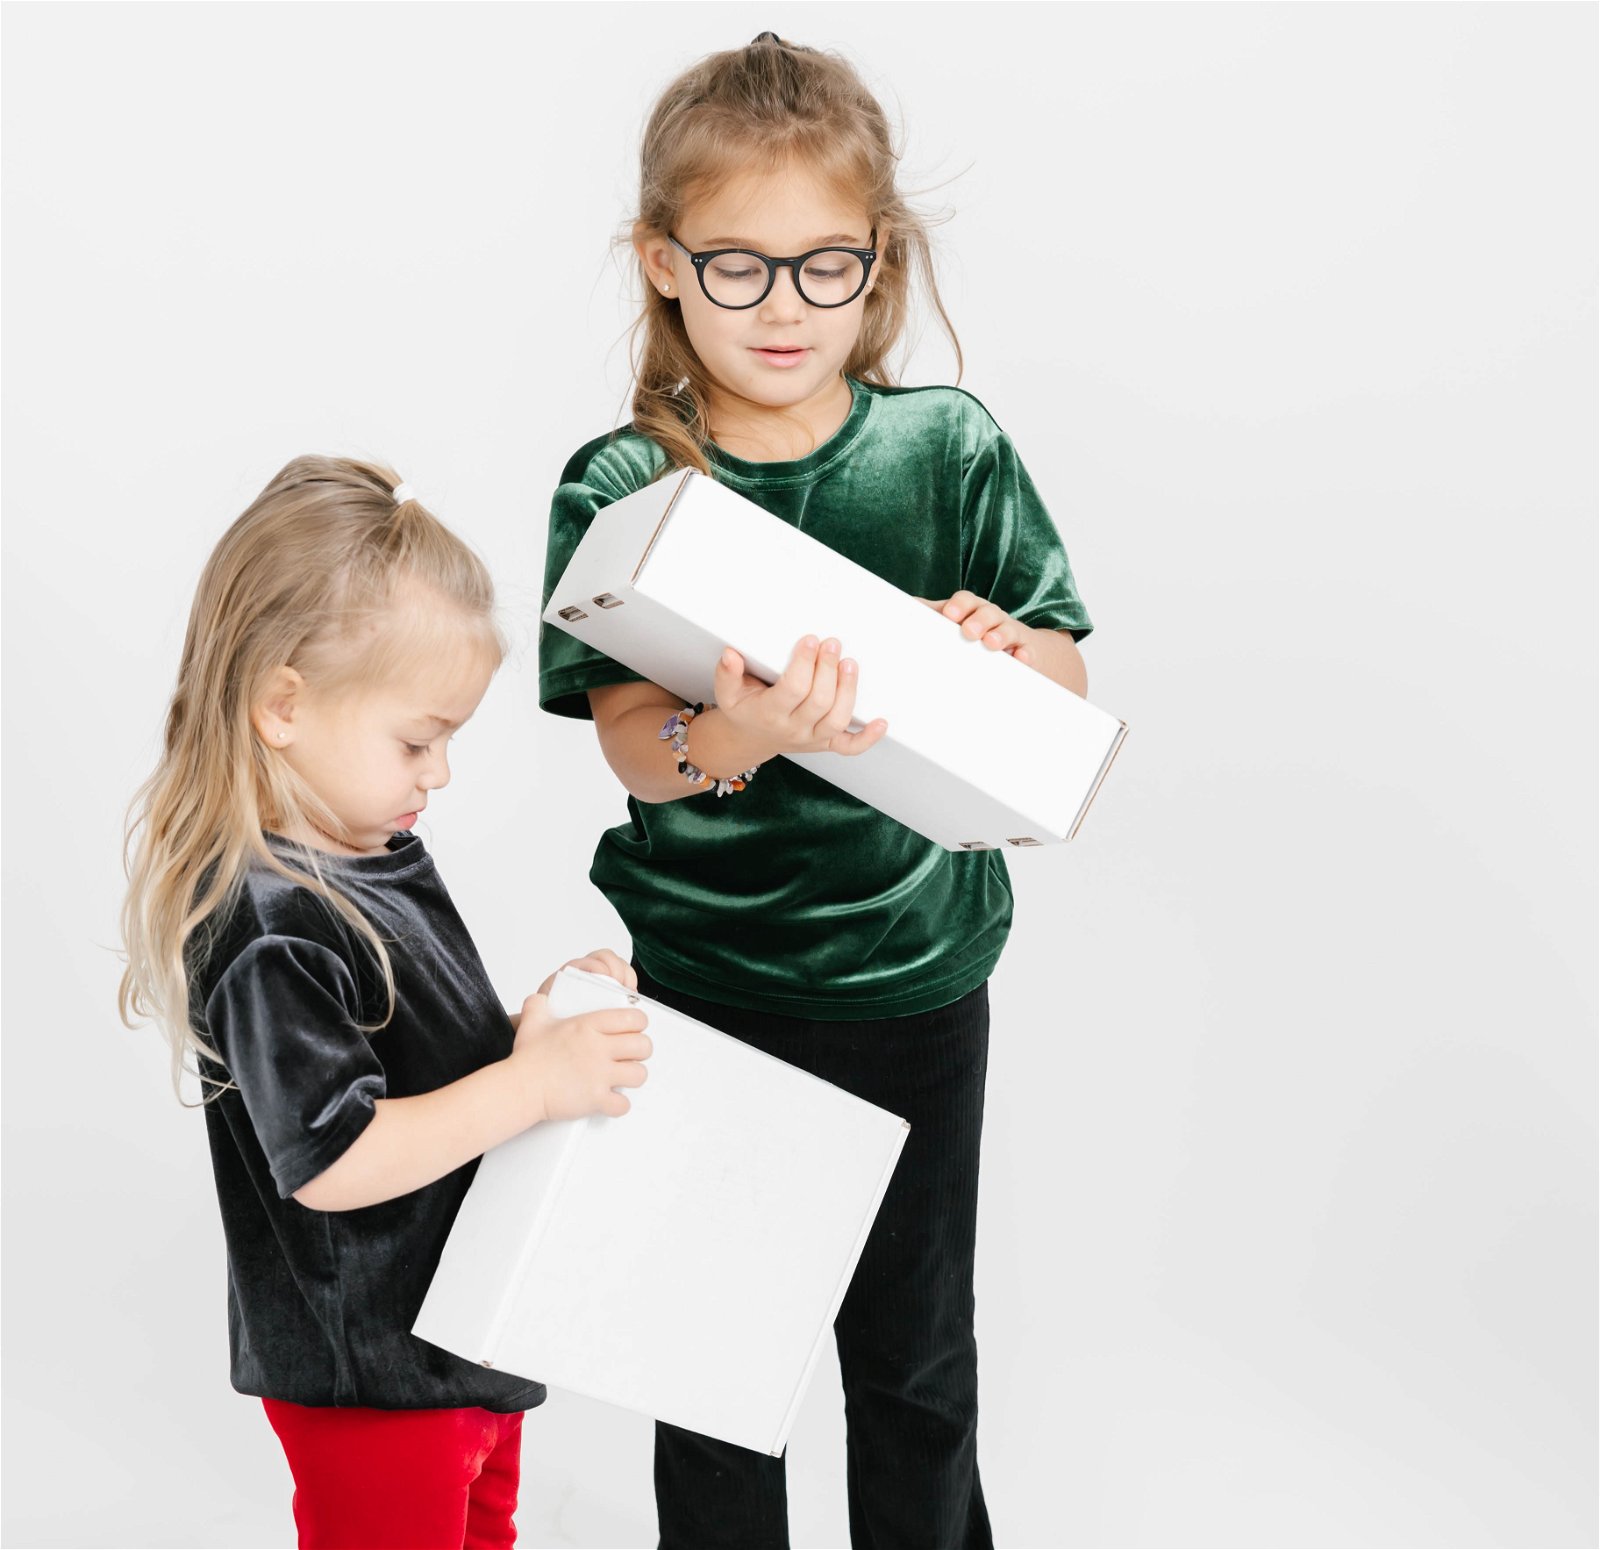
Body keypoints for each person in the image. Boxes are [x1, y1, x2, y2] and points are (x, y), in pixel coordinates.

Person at [538, 32, 1096, 1550]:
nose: (783, 306)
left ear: (878, 260)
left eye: (822, 265)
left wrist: (998, 650)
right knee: (717, 1374)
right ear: (663, 262)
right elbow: (637, 748)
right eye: (736, 266)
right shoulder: (622, 485)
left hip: (918, 980)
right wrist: (749, 734)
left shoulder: (947, 446)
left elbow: (1062, 699)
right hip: (718, 987)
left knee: (912, 1365)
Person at [120, 455, 651, 1550]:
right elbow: (333, 1158)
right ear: (282, 704)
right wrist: (529, 1084)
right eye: (418, 738)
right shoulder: (270, 919)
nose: (439, 772)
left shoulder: (375, 855)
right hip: (372, 1367)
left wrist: (532, 1029)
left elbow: (428, 1062)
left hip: (457, 1337)